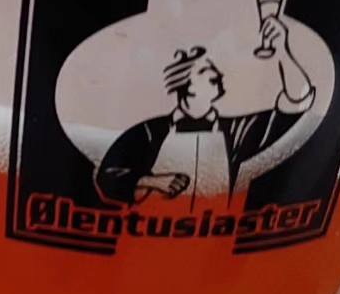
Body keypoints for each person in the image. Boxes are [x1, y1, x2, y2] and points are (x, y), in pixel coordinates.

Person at [95, 11, 315, 211]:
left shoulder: (236, 131)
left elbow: (296, 104)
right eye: (205, 70)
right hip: (145, 236)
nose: (217, 74)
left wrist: (282, 51)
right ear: (187, 85)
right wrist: (152, 181)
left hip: (221, 235)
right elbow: (107, 177)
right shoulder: (149, 131)